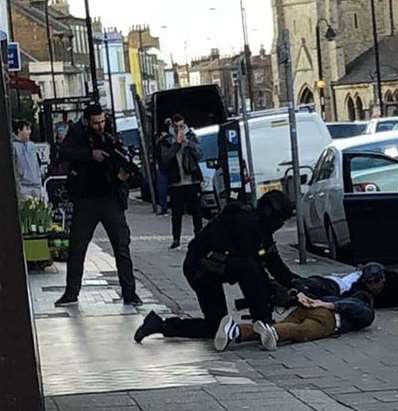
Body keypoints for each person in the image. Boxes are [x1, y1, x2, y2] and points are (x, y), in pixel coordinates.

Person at [133, 190, 300, 343]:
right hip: (200, 268)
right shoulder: (245, 223)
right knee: (249, 270)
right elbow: (254, 270)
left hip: (218, 267)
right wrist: (271, 298)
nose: (280, 225)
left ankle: (159, 325)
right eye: (280, 219)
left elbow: (275, 264)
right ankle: (262, 322)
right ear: (269, 212)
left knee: (215, 327)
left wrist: (299, 284)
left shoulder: (262, 230)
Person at [55, 104, 142, 307]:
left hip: (110, 197)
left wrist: (123, 175)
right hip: (86, 199)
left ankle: (129, 293)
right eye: (96, 123)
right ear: (87, 121)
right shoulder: (77, 133)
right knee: (77, 248)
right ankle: (71, 292)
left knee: (121, 247)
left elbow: (121, 161)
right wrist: (89, 155)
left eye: (102, 121)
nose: (100, 126)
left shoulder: (110, 133)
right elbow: (65, 153)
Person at [214, 291, 375, 352]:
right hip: (329, 319)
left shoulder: (338, 295)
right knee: (301, 332)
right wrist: (330, 305)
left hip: (307, 308)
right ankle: (274, 334)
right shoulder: (362, 306)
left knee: (279, 327)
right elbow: (360, 310)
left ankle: (235, 331)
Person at [292, 262, 398, 311]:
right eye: (370, 283)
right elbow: (346, 297)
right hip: (391, 297)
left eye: (376, 282)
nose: (373, 287)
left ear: (383, 279)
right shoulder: (360, 286)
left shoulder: (395, 281)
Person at [160, 114, 203, 249]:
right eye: (176, 126)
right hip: (176, 181)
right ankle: (176, 239)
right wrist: (176, 144)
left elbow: (200, 154)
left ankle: (199, 237)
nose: (179, 129)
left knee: (196, 211)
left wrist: (188, 143)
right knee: (177, 213)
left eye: (181, 126)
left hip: (192, 180)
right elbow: (165, 158)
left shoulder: (190, 136)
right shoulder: (166, 140)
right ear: (172, 126)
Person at [12, 119, 43, 200]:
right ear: (19, 130)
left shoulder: (32, 145)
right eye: (27, 129)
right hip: (23, 186)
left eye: (30, 129)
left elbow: (37, 164)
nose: (29, 131)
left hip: (36, 185)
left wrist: (39, 178)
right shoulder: (13, 146)